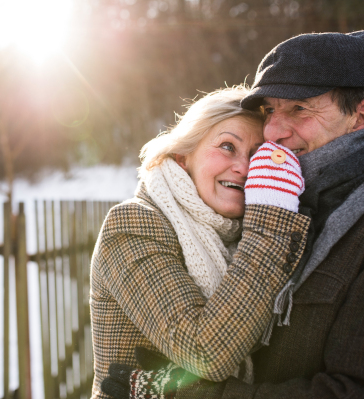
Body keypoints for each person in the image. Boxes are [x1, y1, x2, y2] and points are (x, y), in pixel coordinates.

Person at [101, 31, 364, 399]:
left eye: (299, 108)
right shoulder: (140, 222)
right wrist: (271, 219)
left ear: (362, 116)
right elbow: (206, 350)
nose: (274, 134)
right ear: (183, 155)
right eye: (270, 111)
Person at [90, 85, 311, 399]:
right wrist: (271, 229)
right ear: (183, 156)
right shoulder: (132, 224)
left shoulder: (238, 237)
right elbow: (204, 354)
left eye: (256, 154)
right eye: (227, 146)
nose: (245, 168)